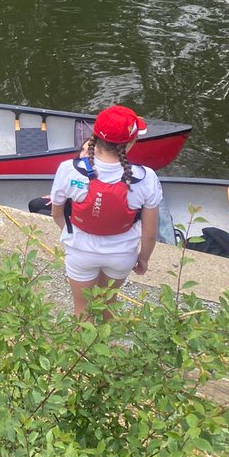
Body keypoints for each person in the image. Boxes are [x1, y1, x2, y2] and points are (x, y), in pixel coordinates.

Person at [49, 105, 163, 320]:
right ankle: (106, 348)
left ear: (93, 136)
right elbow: (149, 233)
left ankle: (83, 351)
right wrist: (144, 259)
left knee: (82, 310)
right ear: (131, 142)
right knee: (108, 305)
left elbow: (56, 214)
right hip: (121, 255)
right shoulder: (146, 178)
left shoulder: (68, 169)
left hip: (80, 251)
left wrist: (72, 234)